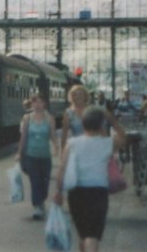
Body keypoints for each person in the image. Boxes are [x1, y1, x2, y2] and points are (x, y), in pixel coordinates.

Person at [53, 106, 126, 252]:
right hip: (98, 193)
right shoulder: (107, 143)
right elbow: (123, 137)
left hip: (76, 193)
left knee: (83, 234)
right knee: (92, 235)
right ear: (101, 125)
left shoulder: (72, 143)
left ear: (83, 124)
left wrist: (59, 192)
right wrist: (111, 119)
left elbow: (62, 169)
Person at [16, 93, 59, 219]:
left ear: (44, 104)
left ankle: (41, 201)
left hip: (45, 156)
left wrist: (57, 147)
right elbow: (23, 137)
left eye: (40, 102)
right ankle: (37, 206)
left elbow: (52, 135)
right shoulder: (27, 118)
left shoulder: (50, 118)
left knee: (44, 183)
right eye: (35, 102)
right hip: (31, 155)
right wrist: (19, 153)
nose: (37, 104)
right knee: (35, 181)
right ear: (32, 104)